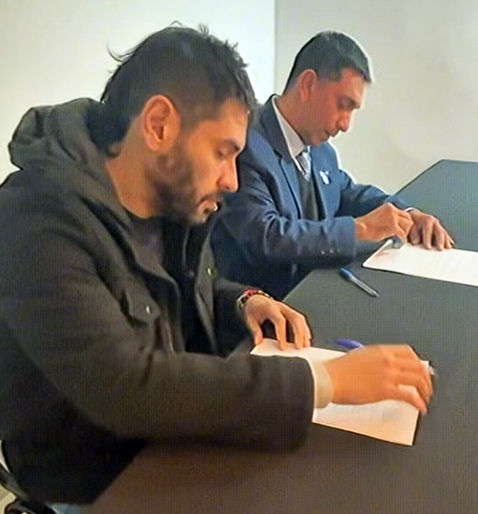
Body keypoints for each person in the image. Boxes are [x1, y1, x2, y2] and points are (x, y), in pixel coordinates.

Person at [0, 26, 433, 513]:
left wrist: (242, 300)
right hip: (99, 481)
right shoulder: (36, 219)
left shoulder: (165, 199)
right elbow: (126, 386)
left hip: (175, 436)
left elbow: (178, 292)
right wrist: (326, 382)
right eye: (224, 152)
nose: (232, 180)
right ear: (158, 125)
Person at [211, 31, 453, 299]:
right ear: (308, 85)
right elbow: (267, 236)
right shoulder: (246, 144)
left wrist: (406, 214)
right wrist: (361, 229)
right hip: (265, 306)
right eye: (343, 105)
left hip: (318, 293)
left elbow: (347, 193)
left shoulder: (321, 150)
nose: (346, 124)